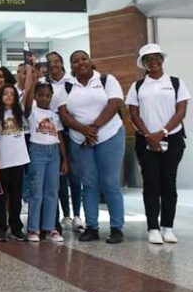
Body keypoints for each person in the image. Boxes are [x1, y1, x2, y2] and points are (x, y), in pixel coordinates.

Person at [56, 50, 125, 244]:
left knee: (110, 182)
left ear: (90, 61)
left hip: (109, 135)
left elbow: (114, 104)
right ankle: (92, 227)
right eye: (75, 61)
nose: (80, 63)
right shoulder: (66, 86)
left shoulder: (106, 80)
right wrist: (83, 130)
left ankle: (116, 227)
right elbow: (64, 114)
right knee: (89, 184)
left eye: (83, 59)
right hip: (80, 140)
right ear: (71, 66)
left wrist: (92, 128)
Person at [126, 43, 189, 244]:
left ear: (162, 60)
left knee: (169, 183)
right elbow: (133, 114)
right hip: (146, 140)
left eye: (156, 58)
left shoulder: (176, 83)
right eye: (148, 59)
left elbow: (181, 111)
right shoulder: (137, 86)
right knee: (151, 183)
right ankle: (153, 227)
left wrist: (162, 132)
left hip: (172, 138)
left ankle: (167, 227)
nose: (153, 62)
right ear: (143, 63)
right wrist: (148, 135)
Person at [23, 69, 68, 243]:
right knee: (36, 192)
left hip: (53, 153)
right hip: (37, 151)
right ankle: (33, 228)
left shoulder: (54, 115)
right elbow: (26, 105)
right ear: (36, 96)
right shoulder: (32, 112)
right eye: (40, 95)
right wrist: (32, 81)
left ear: (51, 97)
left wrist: (65, 159)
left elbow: (60, 137)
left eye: (47, 95)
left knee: (51, 191)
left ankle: (50, 228)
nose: (44, 98)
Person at [47, 51, 83, 231]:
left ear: (62, 63)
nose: (53, 65)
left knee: (75, 176)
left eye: (56, 61)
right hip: (54, 134)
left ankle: (77, 214)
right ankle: (65, 215)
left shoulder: (72, 84)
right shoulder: (44, 85)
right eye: (49, 62)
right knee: (60, 176)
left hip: (72, 132)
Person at [0, 84, 29, 242]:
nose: (9, 96)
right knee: (0, 198)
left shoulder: (19, 112)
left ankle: (16, 227)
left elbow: (27, 89)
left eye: (12, 94)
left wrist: (29, 69)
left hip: (18, 161)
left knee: (16, 197)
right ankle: (1, 227)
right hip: (1, 162)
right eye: (5, 93)